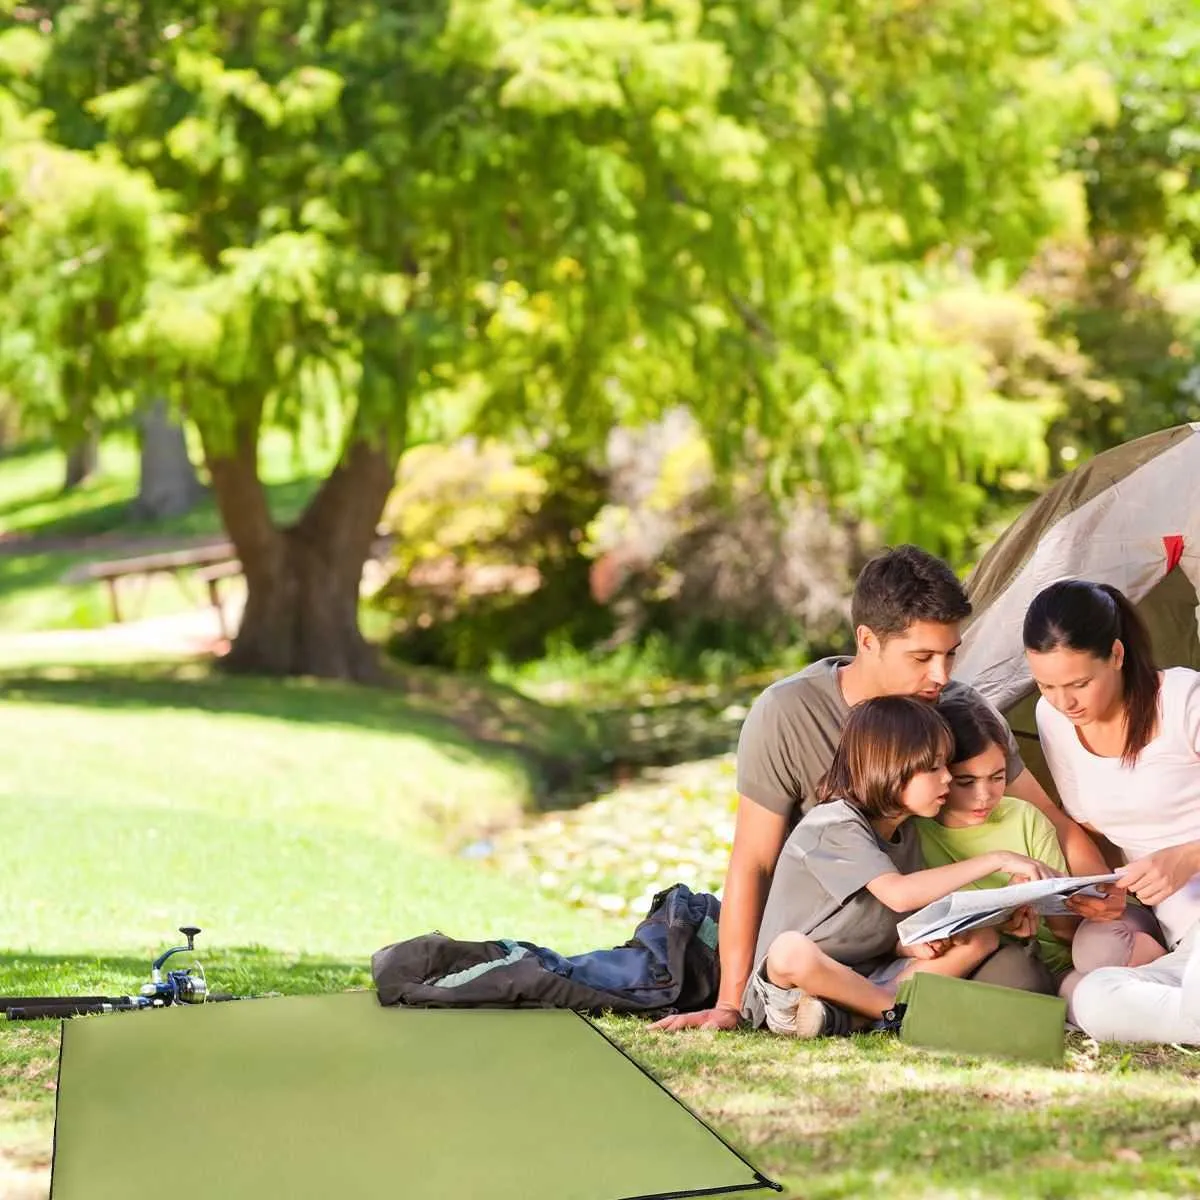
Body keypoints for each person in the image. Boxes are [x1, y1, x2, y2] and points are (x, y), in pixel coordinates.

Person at [655, 546, 1120, 1032]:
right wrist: (730, 1003)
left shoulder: (962, 709)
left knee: (1020, 978)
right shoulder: (789, 714)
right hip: (829, 940)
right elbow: (753, 862)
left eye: (951, 654)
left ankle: (858, 1014)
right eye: (922, 657)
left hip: (919, 940)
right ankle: (870, 1009)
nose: (941, 676)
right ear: (868, 640)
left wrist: (1104, 896)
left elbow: (1049, 817)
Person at [743, 696, 1058, 1037]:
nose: (947, 780)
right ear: (891, 768)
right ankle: (891, 1009)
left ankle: (863, 1015)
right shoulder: (833, 825)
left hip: (873, 974)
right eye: (934, 768)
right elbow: (898, 895)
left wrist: (910, 944)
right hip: (797, 986)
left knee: (980, 938)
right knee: (789, 950)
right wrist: (997, 859)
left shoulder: (905, 832)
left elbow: (875, 924)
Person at [1024, 579, 1198, 1044]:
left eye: (1080, 683)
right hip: (1182, 935)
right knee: (1095, 994)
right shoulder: (1053, 718)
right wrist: (1100, 889)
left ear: (1117, 656)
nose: (1065, 702)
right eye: (1047, 685)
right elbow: (1084, 823)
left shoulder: (1184, 701)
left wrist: (1188, 856)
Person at [914, 693, 1075, 993]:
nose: (985, 796)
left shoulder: (1026, 818)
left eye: (997, 777)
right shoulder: (916, 832)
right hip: (971, 963)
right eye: (966, 782)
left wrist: (1036, 900)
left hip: (1054, 963)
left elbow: (1066, 933)